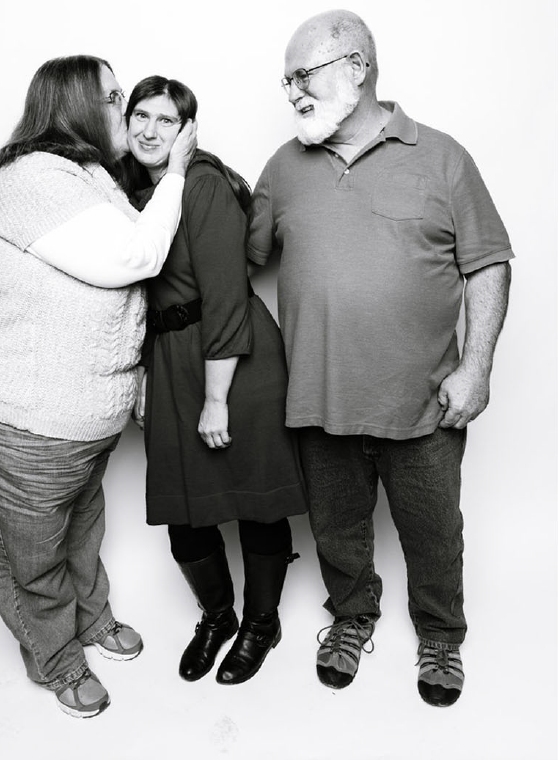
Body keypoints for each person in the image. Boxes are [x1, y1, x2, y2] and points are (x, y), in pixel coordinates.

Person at [247, 10, 513, 707]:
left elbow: (488, 263)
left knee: (433, 529)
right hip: (317, 398)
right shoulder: (283, 167)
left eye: (302, 74)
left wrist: (476, 367)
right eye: (287, 80)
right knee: (336, 529)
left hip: (423, 398)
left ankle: (441, 633)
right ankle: (352, 618)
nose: (292, 90)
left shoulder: (442, 156)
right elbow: (232, 261)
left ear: (356, 68)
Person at [0, 55, 197, 718]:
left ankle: (91, 620)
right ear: (78, 106)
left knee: (82, 531)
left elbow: (124, 302)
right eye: (114, 98)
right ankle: (55, 658)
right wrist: (176, 173)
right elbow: (136, 257)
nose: (127, 108)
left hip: (81, 417)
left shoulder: (88, 178)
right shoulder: (34, 178)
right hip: (19, 413)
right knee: (28, 555)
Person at [122, 76, 308, 686]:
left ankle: (261, 623)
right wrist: (146, 374)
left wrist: (217, 399)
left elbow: (228, 299)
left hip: (233, 360)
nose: (150, 130)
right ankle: (219, 617)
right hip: (173, 360)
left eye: (166, 121)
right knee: (186, 509)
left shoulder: (200, 185)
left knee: (254, 501)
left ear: (188, 132)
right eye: (140, 116)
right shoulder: (132, 191)